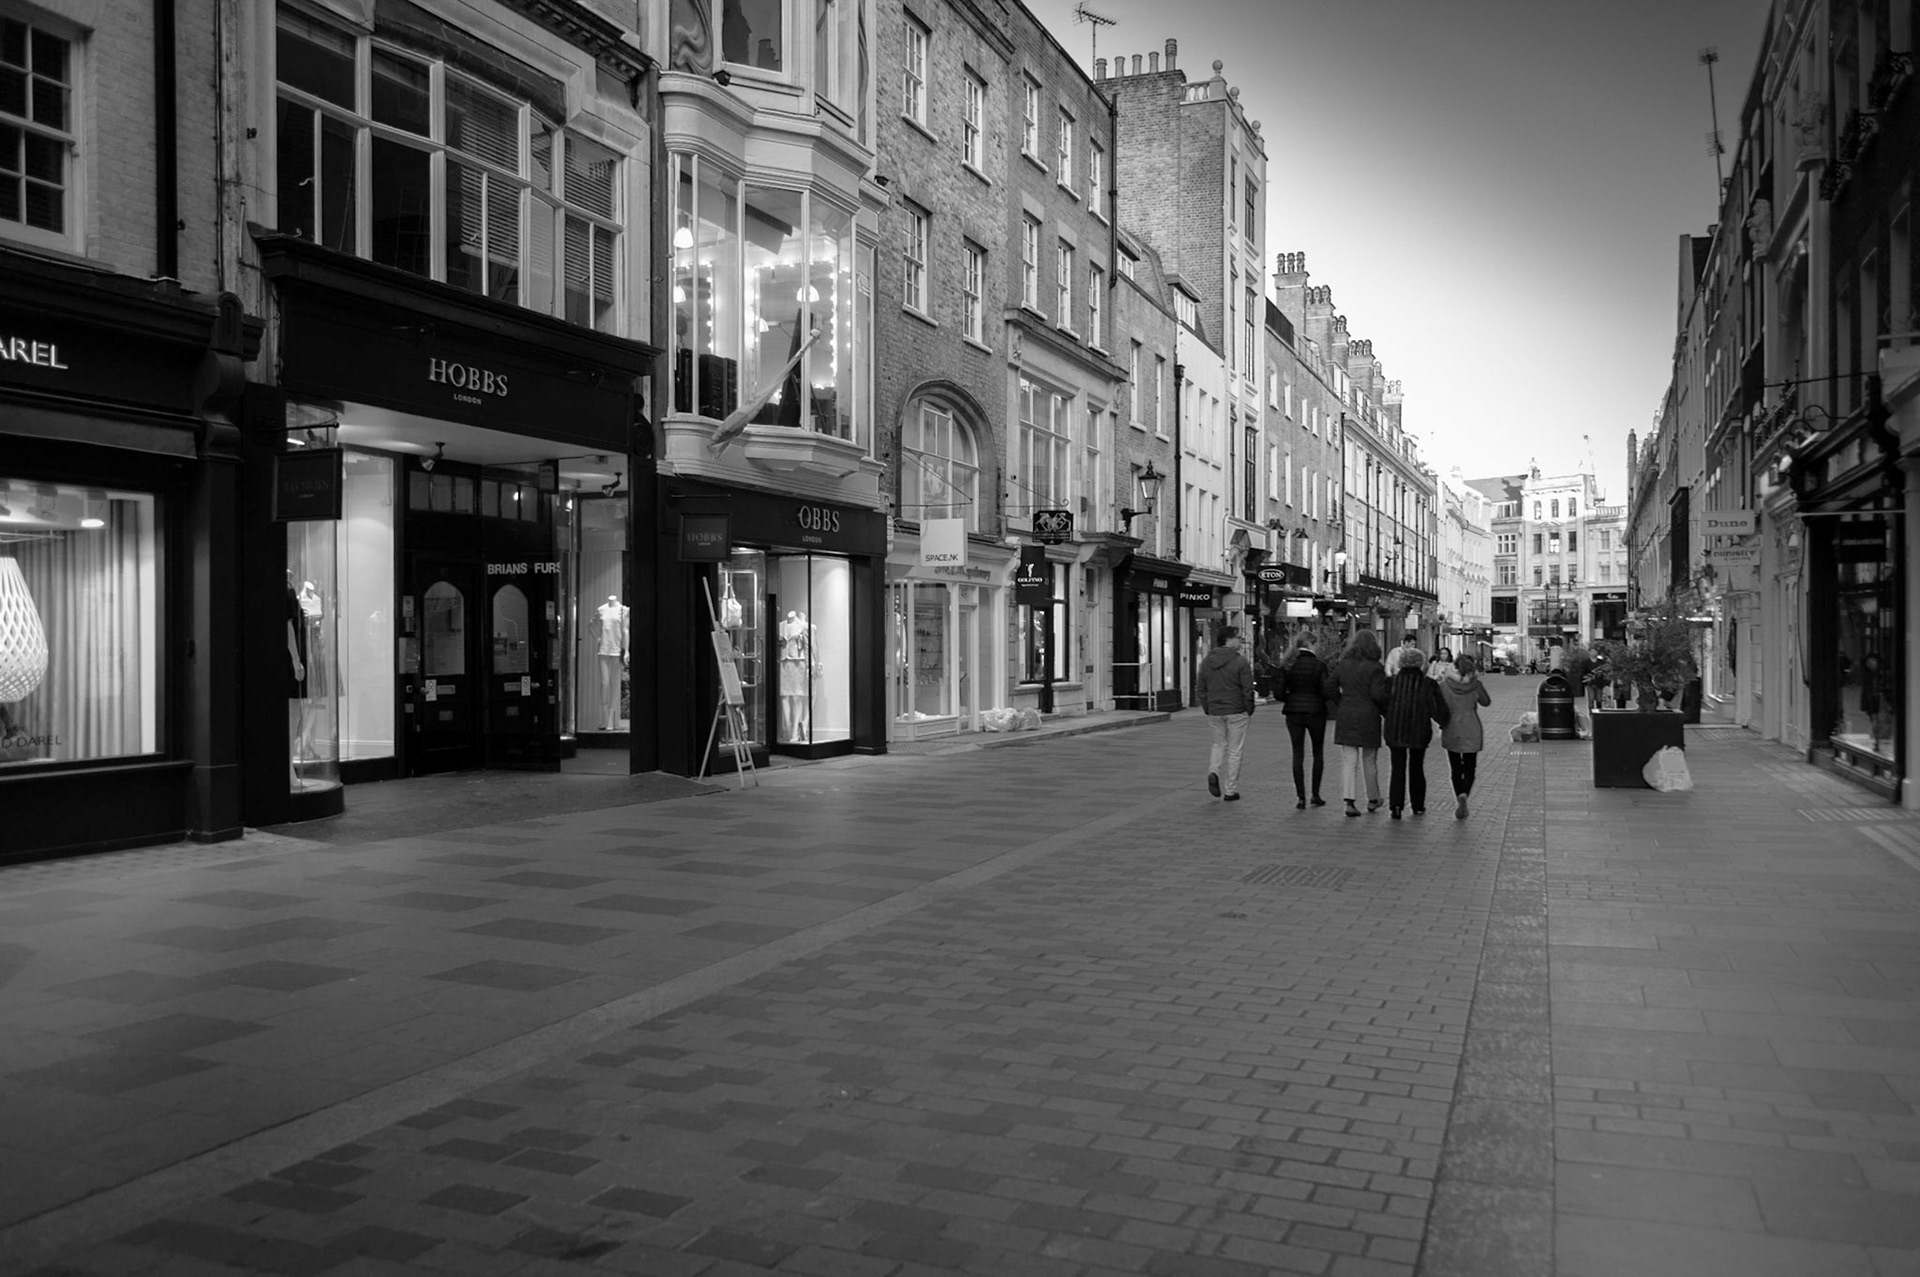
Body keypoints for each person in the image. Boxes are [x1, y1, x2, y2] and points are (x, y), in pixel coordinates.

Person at [1327, 630, 1390, 817]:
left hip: (1347, 715)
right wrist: (1385, 710)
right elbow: (1379, 694)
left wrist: (1341, 702)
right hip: (1369, 716)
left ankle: (1349, 801)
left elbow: (1328, 686)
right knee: (1369, 760)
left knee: (1349, 760)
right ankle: (1373, 798)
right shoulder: (1375, 667)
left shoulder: (1343, 665)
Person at [1384, 649, 1450, 818]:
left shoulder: (1391, 682)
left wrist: (1389, 714)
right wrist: (1444, 722)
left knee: (1397, 767)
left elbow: (1382, 701)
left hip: (1395, 729)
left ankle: (1396, 805)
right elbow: (1437, 708)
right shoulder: (1427, 683)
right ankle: (1418, 804)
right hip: (1419, 729)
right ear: (1421, 664)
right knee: (1417, 767)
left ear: (1401, 662)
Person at [1198, 625, 1256, 801]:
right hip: (1236, 710)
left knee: (1218, 744)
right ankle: (1230, 790)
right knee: (1235, 750)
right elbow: (1247, 689)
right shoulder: (1240, 662)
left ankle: (1213, 771)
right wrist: (1249, 708)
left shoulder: (1207, 661)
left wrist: (1207, 706)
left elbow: (1201, 687)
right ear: (1228, 639)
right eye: (1238, 637)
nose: (1240, 640)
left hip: (1215, 710)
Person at [1277, 634, 1330, 809]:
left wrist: (1290, 699)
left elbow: (1278, 692)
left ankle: (1300, 797)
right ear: (1311, 644)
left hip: (1294, 712)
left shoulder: (1288, 664)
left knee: (1297, 754)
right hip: (1316, 711)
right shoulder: (1319, 666)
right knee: (1317, 752)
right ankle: (1315, 794)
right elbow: (1325, 690)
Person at [1439, 653, 1493, 818]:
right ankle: (1465, 794)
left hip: (1451, 726)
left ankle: (1459, 794)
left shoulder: (1445, 685)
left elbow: (1440, 705)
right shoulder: (1476, 685)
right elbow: (1486, 702)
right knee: (1470, 767)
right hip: (1471, 727)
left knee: (1455, 767)